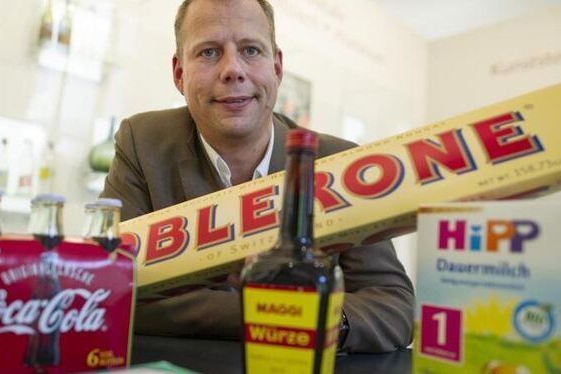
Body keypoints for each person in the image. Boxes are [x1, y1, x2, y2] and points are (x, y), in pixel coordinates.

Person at [101, 0, 414, 353]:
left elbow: (393, 308)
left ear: (277, 67)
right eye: (208, 52)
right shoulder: (142, 141)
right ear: (179, 73)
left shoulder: (338, 161)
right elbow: (113, 289)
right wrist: (291, 311)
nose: (232, 69)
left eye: (251, 50)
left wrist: (316, 320)